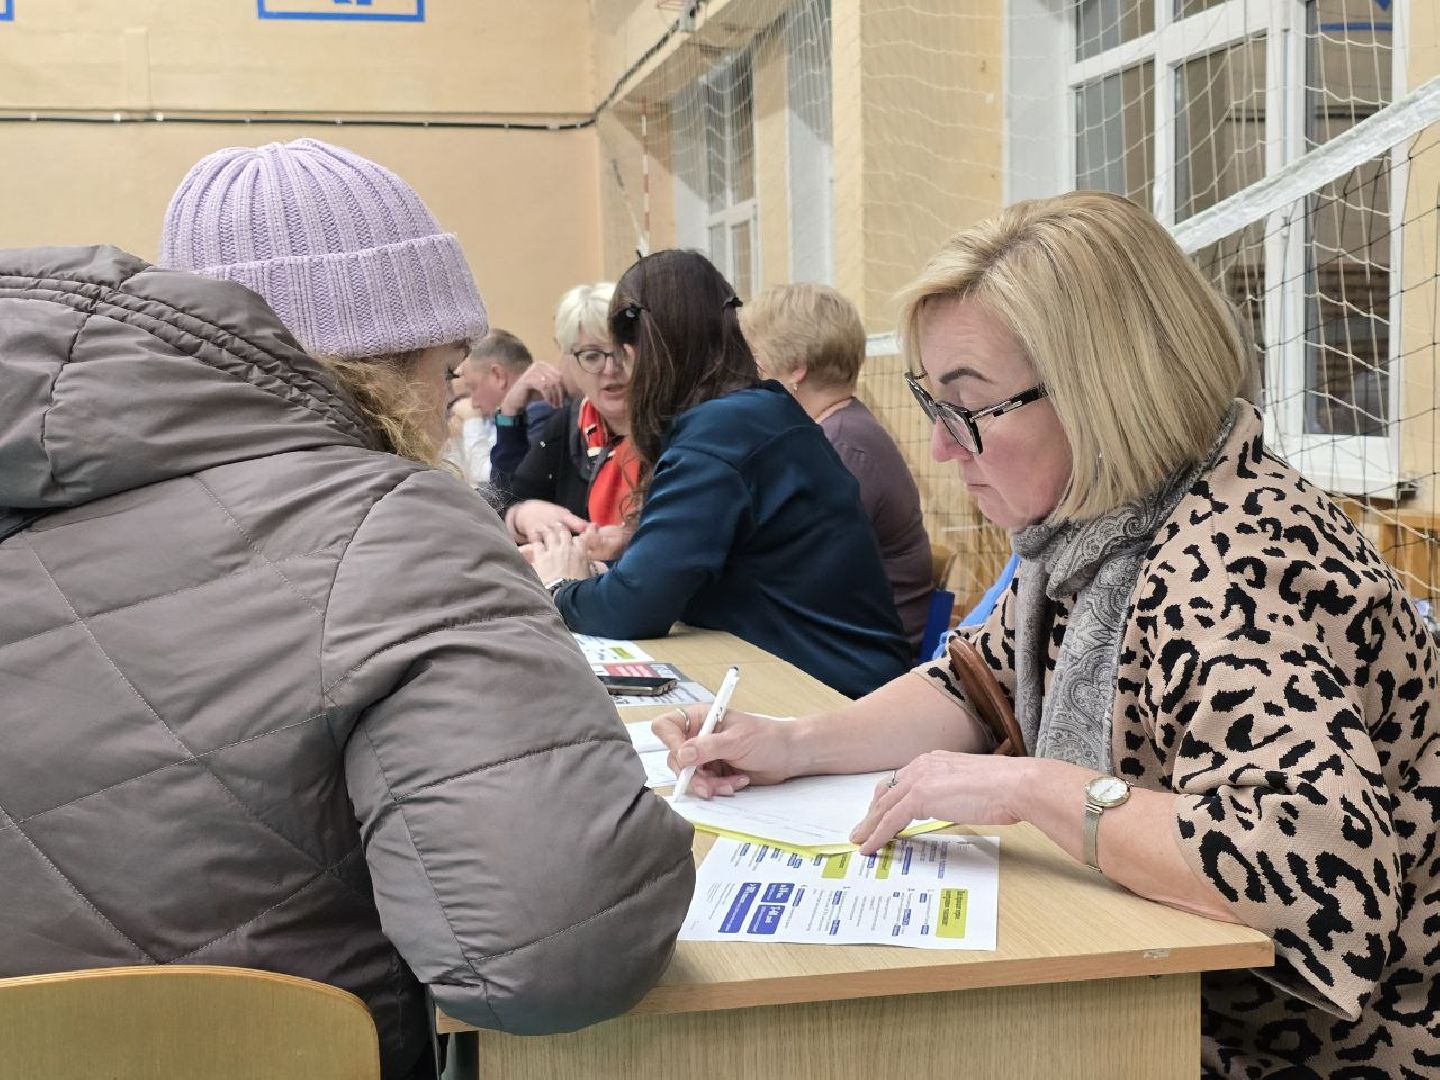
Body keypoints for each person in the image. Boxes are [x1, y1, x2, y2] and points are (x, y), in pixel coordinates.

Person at [652, 192, 1440, 1076]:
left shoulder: (1230, 563)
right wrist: (793, 743)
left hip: (1311, 1050)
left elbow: (1314, 875)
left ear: (1106, 391)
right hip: (1179, 1000)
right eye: (930, 404)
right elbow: (971, 685)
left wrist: (1037, 789)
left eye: (969, 408)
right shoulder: (1096, 532)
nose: (946, 452)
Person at [0, 139, 694, 1080]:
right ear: (384, 358)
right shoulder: (391, 520)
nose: (452, 412)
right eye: (448, 374)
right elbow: (551, 955)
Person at [530, 250, 910, 700]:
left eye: (624, 355)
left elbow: (636, 608)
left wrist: (561, 587)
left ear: (640, 349)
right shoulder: (756, 410)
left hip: (831, 692)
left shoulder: (721, 431)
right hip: (832, 676)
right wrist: (625, 558)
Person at [743, 283, 933, 650]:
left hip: (863, 662)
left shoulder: (841, 446)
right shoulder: (837, 432)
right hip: (843, 641)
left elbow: (788, 573)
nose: (749, 376)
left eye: (756, 361)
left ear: (796, 368)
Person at [492, 282, 639, 557]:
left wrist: (630, 539)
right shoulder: (570, 426)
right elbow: (502, 498)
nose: (610, 368)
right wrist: (520, 516)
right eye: (592, 356)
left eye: (621, 352)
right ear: (570, 362)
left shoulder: (675, 428)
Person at [446, 328, 534, 487]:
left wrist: (472, 422)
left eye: (473, 388)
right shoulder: (496, 417)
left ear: (498, 376)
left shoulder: (537, 416)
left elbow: (490, 481)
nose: (473, 404)